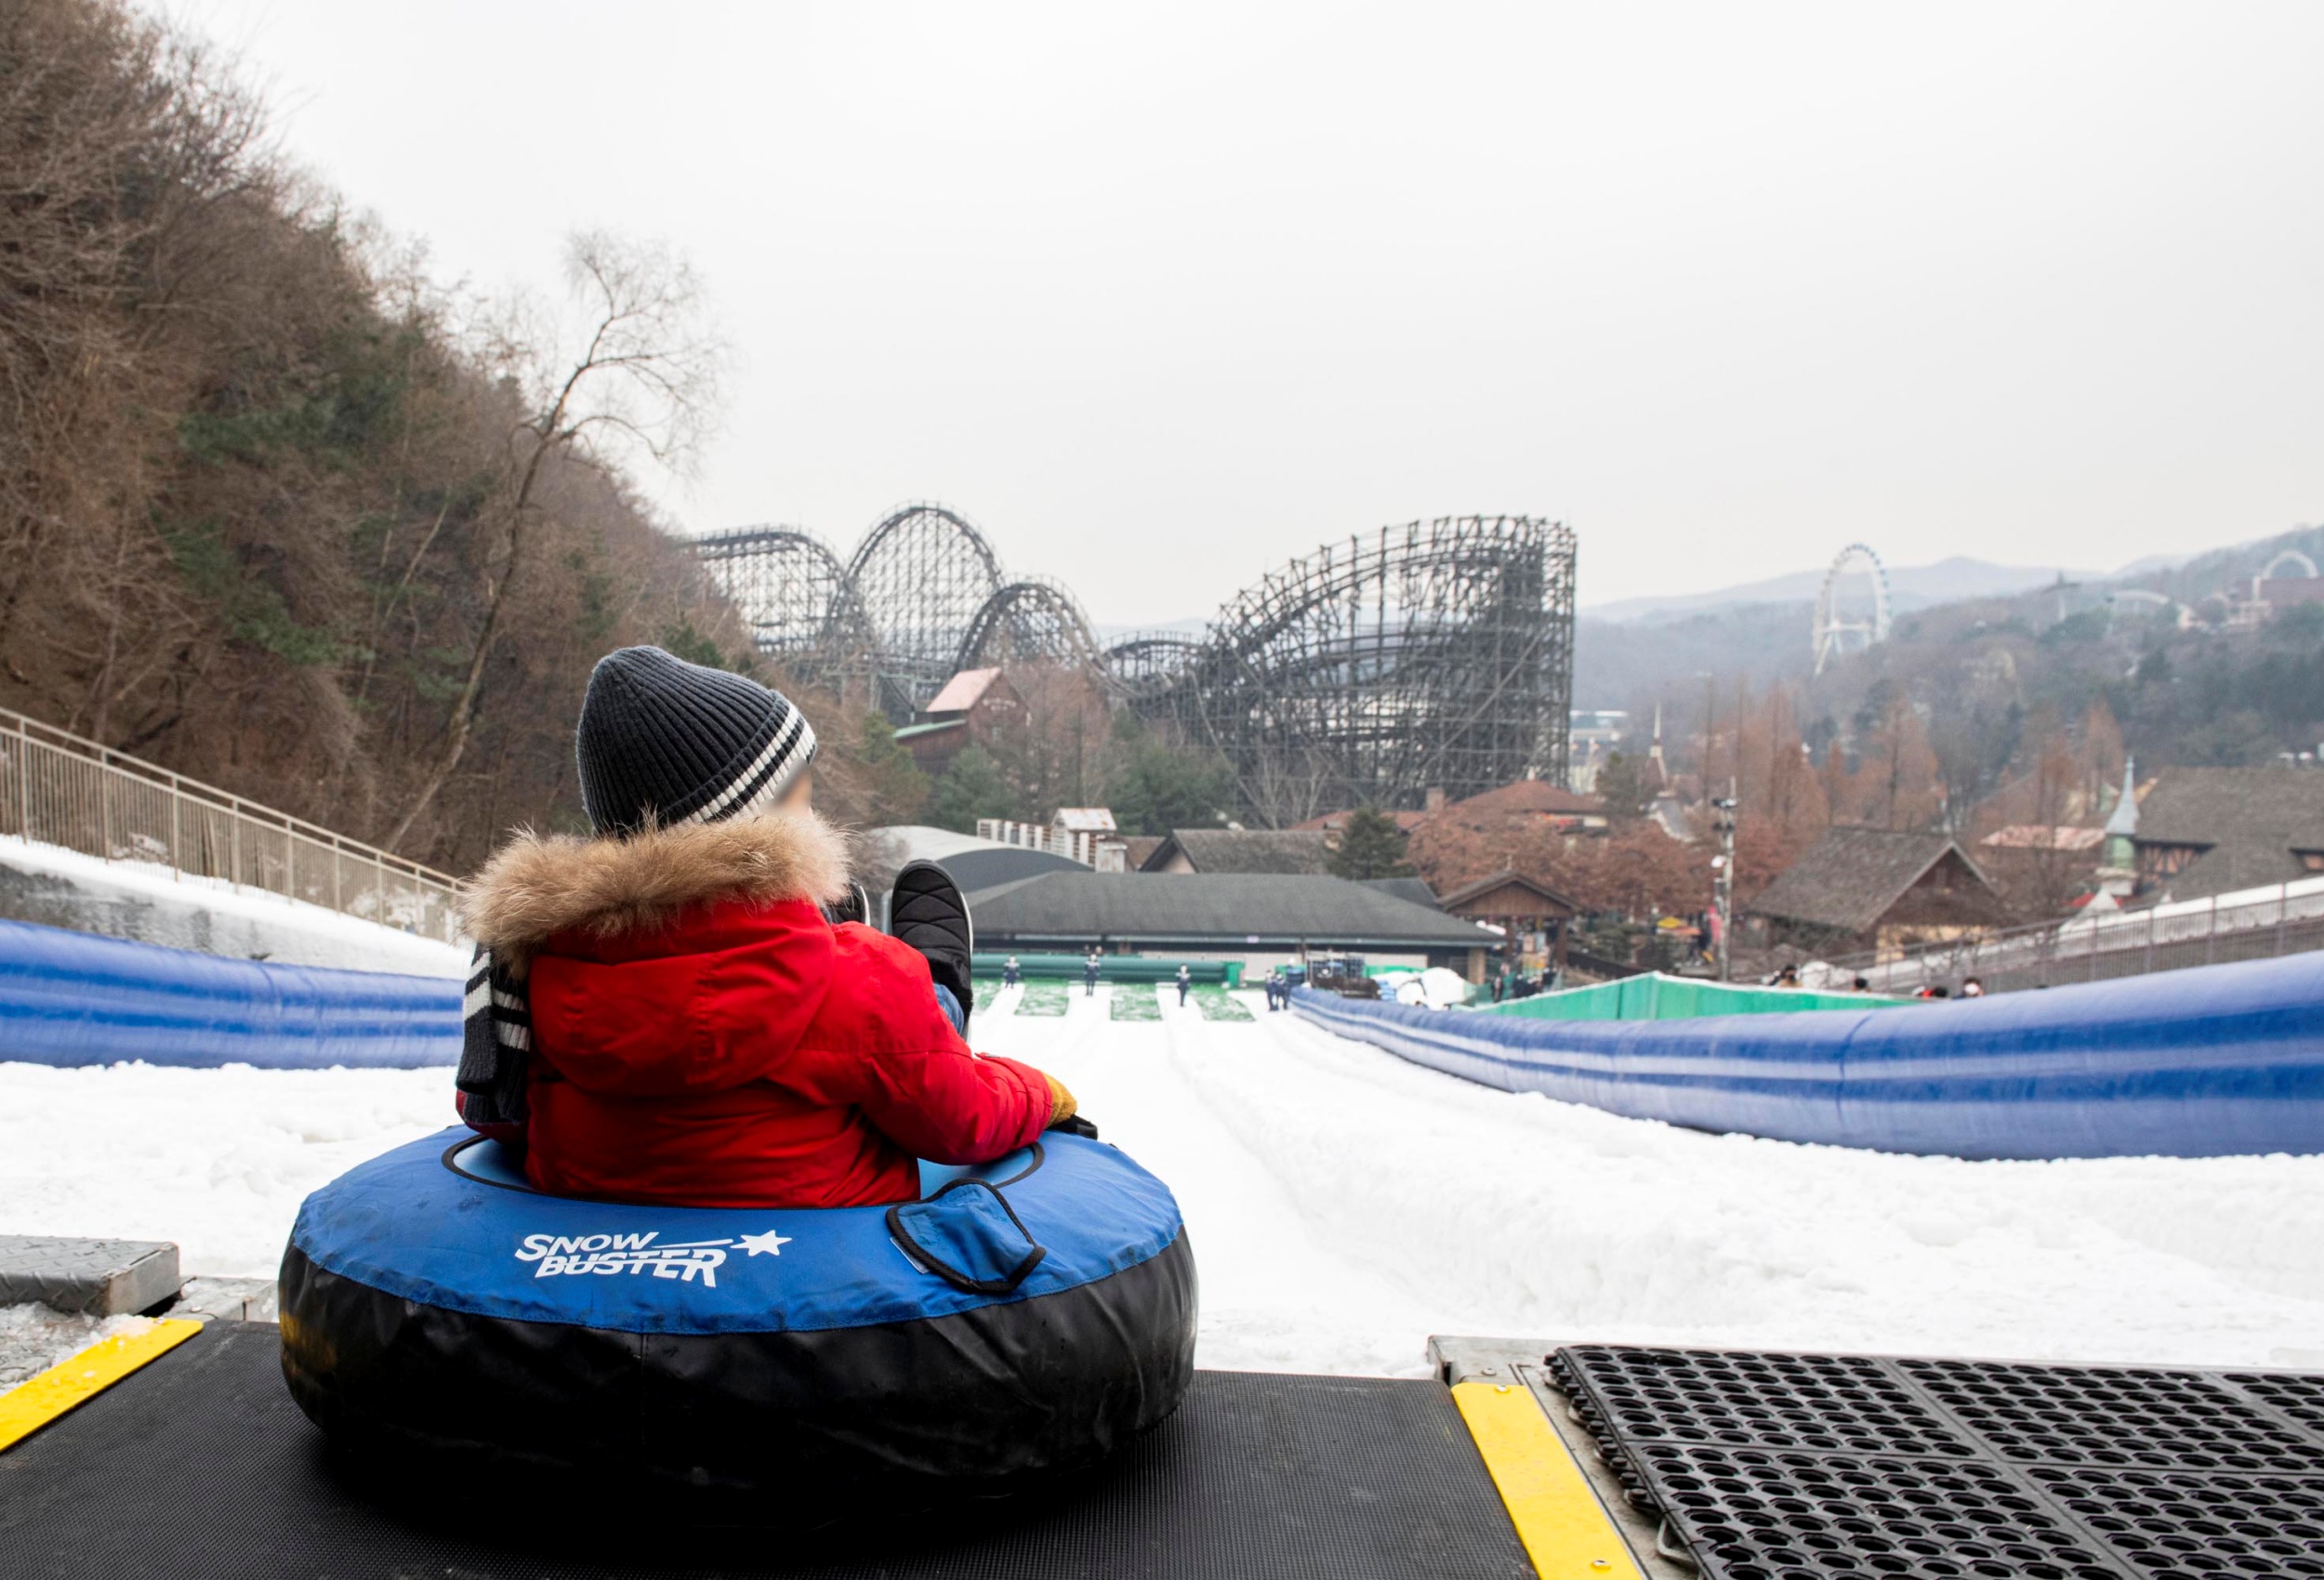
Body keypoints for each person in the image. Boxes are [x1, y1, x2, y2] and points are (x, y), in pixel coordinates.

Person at [455, 645, 1075, 1210]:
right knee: (904, 1009)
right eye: (802, 797)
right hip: (827, 1282)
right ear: (762, 821)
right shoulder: (860, 977)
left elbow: (493, 1111)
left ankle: (920, 990)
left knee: (879, 1011)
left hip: (604, 1276)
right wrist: (1043, 1092)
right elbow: (961, 1120)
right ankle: (941, 990)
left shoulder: (531, 972)